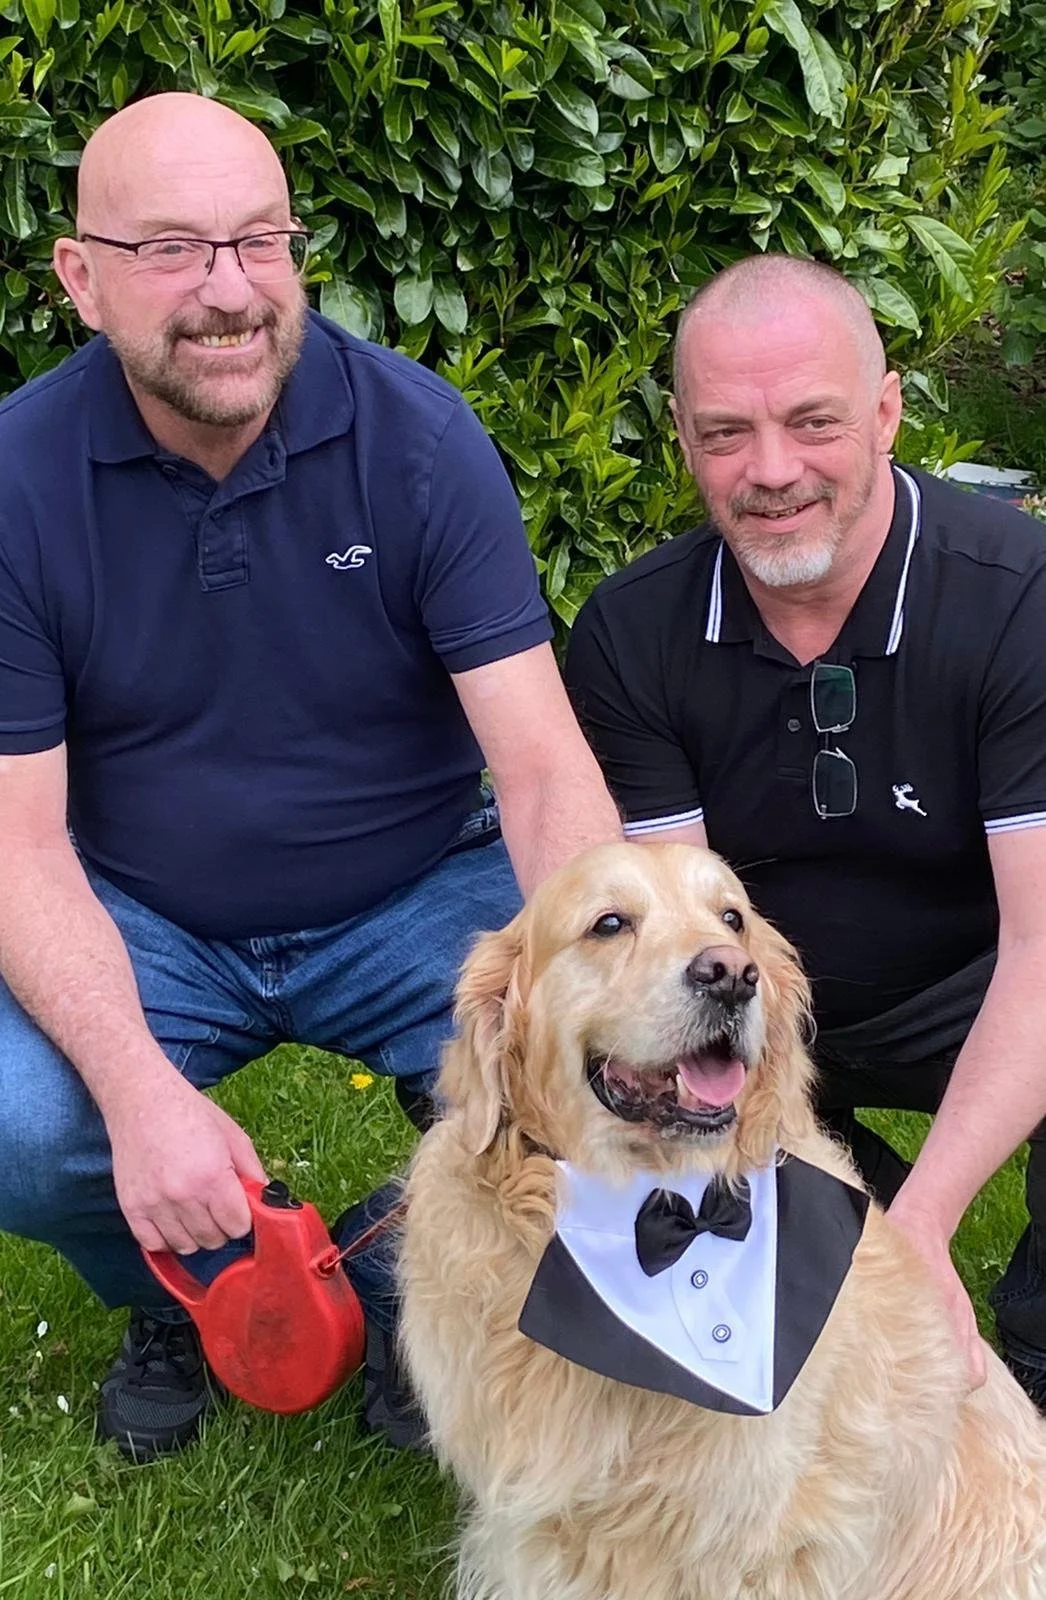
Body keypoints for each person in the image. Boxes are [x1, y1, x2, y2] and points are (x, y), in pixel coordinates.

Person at [0, 91, 622, 1462]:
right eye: (173, 249)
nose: (227, 294)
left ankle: (401, 1282)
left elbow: (534, 764)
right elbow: (19, 846)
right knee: (24, 1129)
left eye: (257, 243)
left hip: (411, 895)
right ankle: (192, 1287)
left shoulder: (416, 440)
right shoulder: (17, 480)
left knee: (589, 1074)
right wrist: (141, 1098)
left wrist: (597, 979)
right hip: (145, 916)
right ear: (79, 276)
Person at [564, 253, 1046, 1409]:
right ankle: (821, 1248)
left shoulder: (1016, 596)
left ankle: (1025, 1350)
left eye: (812, 422)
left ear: (884, 411)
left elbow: (1041, 946)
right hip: (747, 1004)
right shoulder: (629, 636)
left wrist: (927, 1223)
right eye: (725, 433)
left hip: (974, 980)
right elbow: (673, 945)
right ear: (680, 436)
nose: (770, 471)